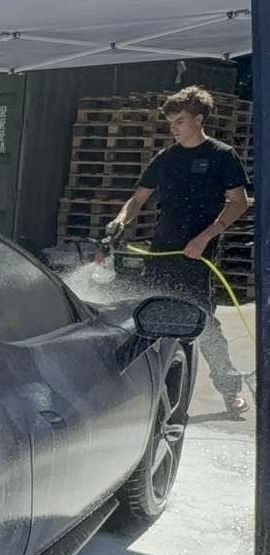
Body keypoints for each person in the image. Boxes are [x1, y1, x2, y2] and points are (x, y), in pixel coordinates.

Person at [106, 86, 250, 416]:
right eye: (171, 122)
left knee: (203, 323)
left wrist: (205, 237)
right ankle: (119, 382)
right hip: (163, 250)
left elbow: (239, 203)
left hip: (199, 255)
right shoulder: (166, 158)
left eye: (180, 121)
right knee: (148, 314)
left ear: (199, 120)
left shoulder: (222, 156)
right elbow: (137, 200)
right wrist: (120, 221)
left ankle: (229, 391)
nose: (174, 128)